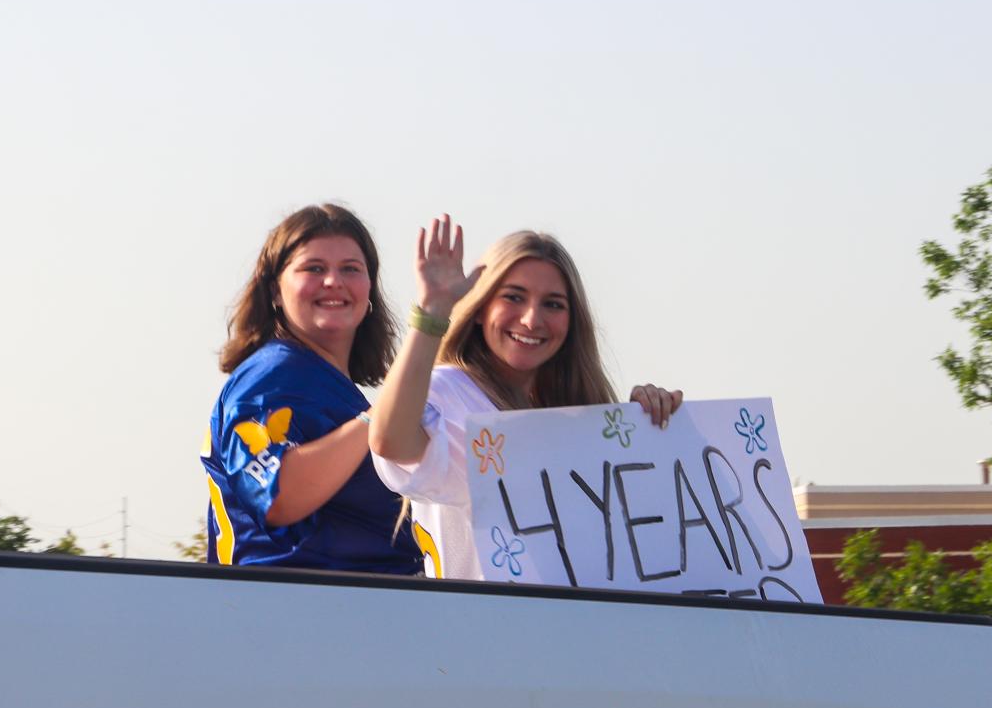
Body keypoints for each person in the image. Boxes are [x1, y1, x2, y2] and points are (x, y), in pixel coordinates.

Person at [368, 216, 682, 579]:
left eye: (553, 304)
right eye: (513, 297)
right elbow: (389, 439)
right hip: (483, 628)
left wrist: (646, 421)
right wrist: (433, 314)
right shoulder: (448, 389)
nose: (532, 319)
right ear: (480, 309)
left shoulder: (570, 415)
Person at [201, 204, 424, 574]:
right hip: (292, 611)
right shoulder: (271, 377)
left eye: (350, 269)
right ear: (275, 290)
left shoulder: (326, 383)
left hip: (359, 611)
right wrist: (377, 419)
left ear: (370, 288)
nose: (333, 281)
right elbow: (278, 496)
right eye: (314, 268)